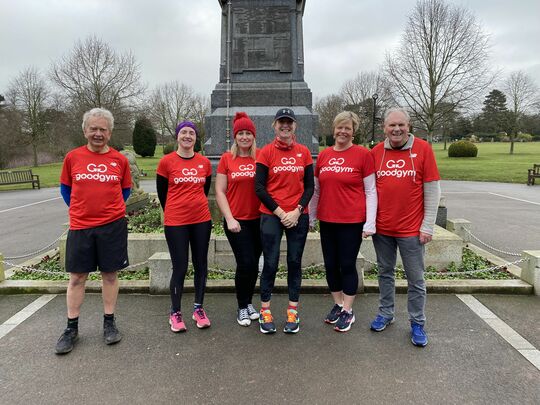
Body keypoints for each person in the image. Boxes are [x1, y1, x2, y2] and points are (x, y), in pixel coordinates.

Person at [55, 107, 132, 354]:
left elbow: (125, 191)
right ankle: (71, 328)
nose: (98, 133)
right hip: (81, 227)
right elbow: (66, 190)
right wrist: (82, 209)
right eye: (93, 129)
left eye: (103, 129)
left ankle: (109, 323)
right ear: (85, 130)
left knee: (110, 275)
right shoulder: (72, 158)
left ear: (109, 133)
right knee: (77, 277)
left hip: (112, 226)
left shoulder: (119, 160)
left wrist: (108, 210)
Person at [369, 107, 441, 347]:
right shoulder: (376, 152)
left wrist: (427, 226)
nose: (397, 129)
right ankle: (386, 314)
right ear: (384, 128)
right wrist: (370, 223)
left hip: (412, 230)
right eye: (392, 125)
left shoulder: (423, 149)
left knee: (415, 279)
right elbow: (369, 191)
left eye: (401, 125)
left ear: (409, 126)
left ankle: (417, 322)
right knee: (384, 273)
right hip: (383, 229)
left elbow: (432, 189)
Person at [309, 111, 377, 332]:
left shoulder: (362, 155)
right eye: (340, 127)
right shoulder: (324, 156)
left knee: (347, 264)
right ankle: (338, 304)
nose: (343, 131)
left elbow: (371, 191)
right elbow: (316, 190)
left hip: (351, 220)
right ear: (334, 129)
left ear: (353, 131)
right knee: (330, 265)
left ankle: (348, 310)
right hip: (327, 219)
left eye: (348, 128)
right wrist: (311, 216)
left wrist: (370, 223)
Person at [255, 108, 314, 334]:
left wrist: (297, 211)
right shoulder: (266, 152)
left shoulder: (304, 152)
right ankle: (266, 310)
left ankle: (293, 310)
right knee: (270, 263)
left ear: (295, 126)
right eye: (281, 122)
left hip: (298, 215)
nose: (285, 126)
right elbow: (259, 187)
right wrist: (281, 212)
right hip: (272, 215)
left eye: (289, 122)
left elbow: (310, 186)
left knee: (294, 262)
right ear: (274, 125)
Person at [156, 121, 213, 333]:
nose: (188, 136)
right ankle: (175, 312)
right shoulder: (166, 162)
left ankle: (198, 308)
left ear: (196, 138)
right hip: (176, 222)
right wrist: (175, 210)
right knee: (180, 267)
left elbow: (204, 190)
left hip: (201, 220)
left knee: (201, 266)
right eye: (184, 132)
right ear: (177, 136)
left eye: (191, 133)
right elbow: (163, 194)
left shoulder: (204, 163)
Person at [216, 112, 262, 326]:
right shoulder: (227, 159)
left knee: (253, 266)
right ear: (235, 136)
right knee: (246, 263)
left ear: (253, 136)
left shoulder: (261, 157)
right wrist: (230, 218)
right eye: (240, 133)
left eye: (248, 133)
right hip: (237, 221)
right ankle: (242, 306)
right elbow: (220, 191)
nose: (244, 137)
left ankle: (249, 301)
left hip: (259, 221)